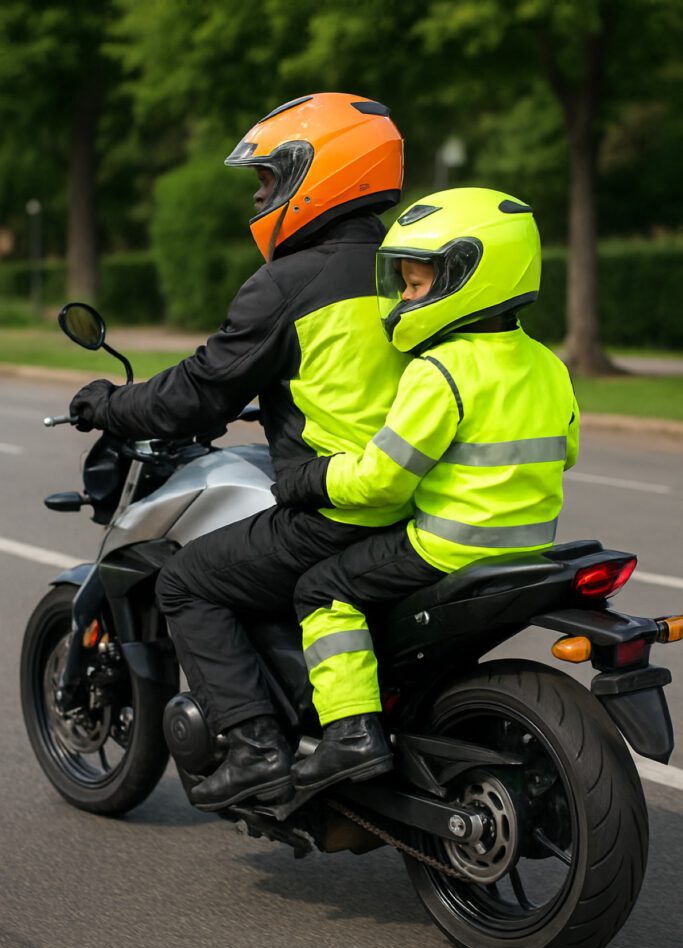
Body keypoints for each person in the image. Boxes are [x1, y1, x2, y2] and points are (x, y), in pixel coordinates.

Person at [69, 93, 411, 811]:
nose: (258, 197)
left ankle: (255, 748)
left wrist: (105, 403)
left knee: (188, 582)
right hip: (425, 499)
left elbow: (196, 392)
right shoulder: (412, 266)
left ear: (317, 173)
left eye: (265, 179)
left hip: (335, 503)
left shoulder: (289, 284)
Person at [273, 187, 580, 794]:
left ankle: (350, 733)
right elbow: (566, 453)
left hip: (446, 546)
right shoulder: (548, 363)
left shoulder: (439, 371)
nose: (406, 297)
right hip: (529, 549)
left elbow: (382, 477)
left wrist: (310, 477)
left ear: (470, 275)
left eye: (415, 286)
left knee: (323, 588)